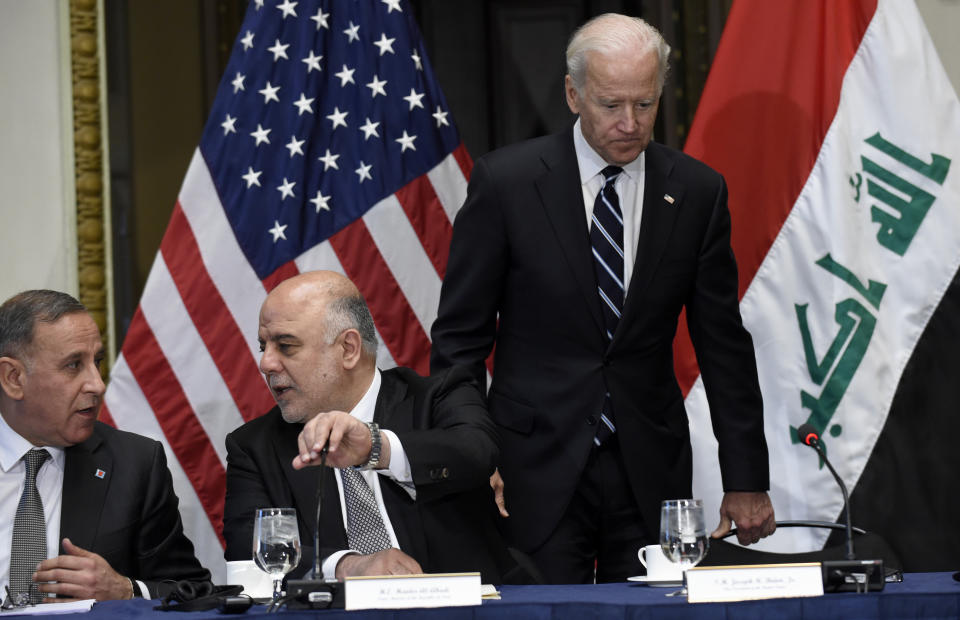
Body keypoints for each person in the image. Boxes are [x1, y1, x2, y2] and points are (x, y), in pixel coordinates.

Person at [430, 13, 776, 583]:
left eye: (644, 104)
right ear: (573, 94)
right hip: (530, 469)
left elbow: (724, 347)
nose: (629, 124)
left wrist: (745, 478)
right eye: (611, 104)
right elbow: (460, 344)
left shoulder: (696, 191)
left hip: (650, 473)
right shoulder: (507, 184)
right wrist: (470, 453)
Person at [222, 271, 524, 583]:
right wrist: (346, 566)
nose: (266, 364)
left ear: (348, 349)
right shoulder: (254, 447)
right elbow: (249, 548)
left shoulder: (438, 396)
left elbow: (476, 451)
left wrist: (374, 447)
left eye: (285, 346)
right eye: (263, 346)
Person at [0, 290, 211, 602]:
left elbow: (195, 592)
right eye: (73, 365)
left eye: (96, 361)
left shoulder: (134, 465)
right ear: (13, 378)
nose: (97, 384)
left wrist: (125, 590)